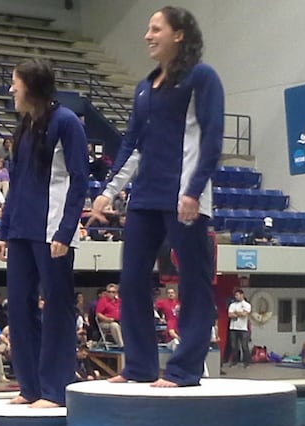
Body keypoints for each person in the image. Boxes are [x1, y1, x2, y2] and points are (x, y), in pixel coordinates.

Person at [88, 7, 224, 388]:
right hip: (145, 197)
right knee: (131, 280)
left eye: (155, 29)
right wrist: (108, 192)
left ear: (179, 34)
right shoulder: (145, 87)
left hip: (184, 196)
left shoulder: (201, 77)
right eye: (148, 29)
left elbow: (212, 138)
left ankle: (184, 369)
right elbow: (133, 144)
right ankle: (139, 365)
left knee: (193, 282)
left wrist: (193, 191)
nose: (147, 36)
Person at [0, 59, 89, 408]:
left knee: (57, 307)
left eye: (15, 84)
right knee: (19, 308)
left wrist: (66, 230)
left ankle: (56, 388)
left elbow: (79, 179)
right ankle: (30, 386)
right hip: (21, 228)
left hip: (52, 230)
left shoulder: (66, 122)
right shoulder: (25, 126)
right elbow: (16, 182)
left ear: (32, 86)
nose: (11, 90)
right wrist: (4, 231)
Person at [228, 289, 251, 368]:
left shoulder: (247, 305)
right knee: (234, 346)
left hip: (243, 328)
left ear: (242, 295)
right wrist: (240, 313)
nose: (236, 297)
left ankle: (246, 362)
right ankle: (235, 361)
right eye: (235, 295)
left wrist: (236, 312)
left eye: (237, 295)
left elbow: (245, 314)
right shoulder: (232, 305)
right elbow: (230, 315)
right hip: (233, 328)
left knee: (244, 346)